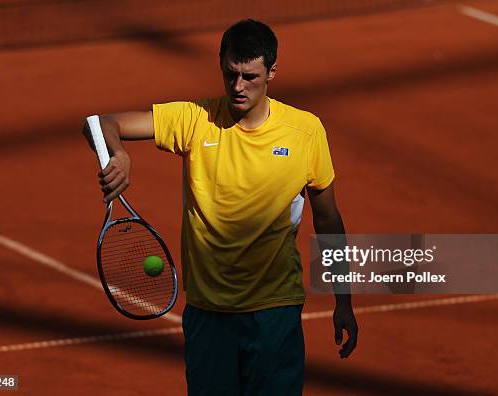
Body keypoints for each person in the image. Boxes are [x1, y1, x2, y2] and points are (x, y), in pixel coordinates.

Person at [84, 18, 357, 396]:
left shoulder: (306, 132)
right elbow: (99, 123)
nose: (238, 87)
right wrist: (119, 153)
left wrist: (344, 300)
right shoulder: (196, 118)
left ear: (272, 73)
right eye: (231, 75)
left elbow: (328, 219)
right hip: (209, 315)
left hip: (275, 312)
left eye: (250, 76)